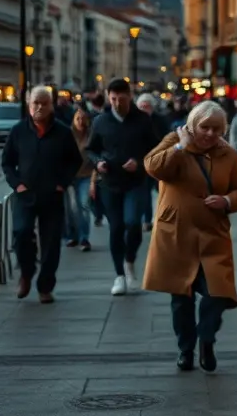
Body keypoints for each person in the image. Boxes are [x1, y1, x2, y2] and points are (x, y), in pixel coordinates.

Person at [143, 101, 237, 372]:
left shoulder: (228, 154)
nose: (210, 134)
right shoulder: (174, 141)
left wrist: (227, 200)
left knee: (217, 293)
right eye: (205, 127)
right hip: (177, 233)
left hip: (212, 235)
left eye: (217, 129)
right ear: (193, 125)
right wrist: (180, 147)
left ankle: (206, 339)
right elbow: (153, 167)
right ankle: (185, 349)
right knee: (182, 297)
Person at [1, 86, 83, 304]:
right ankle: (26, 273)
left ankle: (45, 286)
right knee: (21, 233)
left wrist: (62, 184)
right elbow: (7, 162)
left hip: (52, 196)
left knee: (51, 243)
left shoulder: (63, 132)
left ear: (51, 105)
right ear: (29, 105)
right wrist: (17, 185)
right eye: (35, 103)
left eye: (44, 103)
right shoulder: (18, 131)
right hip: (25, 195)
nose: (39, 107)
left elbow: (75, 160)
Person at [85, 78, 160, 296]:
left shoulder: (142, 120)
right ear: (109, 98)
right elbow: (91, 149)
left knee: (133, 223)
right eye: (113, 99)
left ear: (130, 97)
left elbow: (155, 148)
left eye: (122, 98)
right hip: (110, 182)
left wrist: (139, 161)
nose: (117, 103)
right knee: (116, 227)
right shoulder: (101, 121)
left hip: (135, 181)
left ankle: (129, 260)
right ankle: (119, 275)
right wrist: (98, 162)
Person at [136, 93, 170, 231]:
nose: (144, 109)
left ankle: (163, 216)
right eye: (142, 107)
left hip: (158, 159)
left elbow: (166, 138)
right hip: (142, 162)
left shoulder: (160, 120)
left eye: (147, 106)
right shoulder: (135, 121)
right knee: (145, 192)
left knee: (162, 190)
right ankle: (147, 219)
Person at [65, 110, 97, 251]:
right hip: (70, 177)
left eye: (83, 118)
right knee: (71, 208)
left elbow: (96, 158)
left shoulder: (91, 136)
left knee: (84, 205)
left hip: (86, 176)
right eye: (77, 118)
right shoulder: (67, 135)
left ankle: (84, 239)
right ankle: (73, 236)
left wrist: (93, 182)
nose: (80, 121)